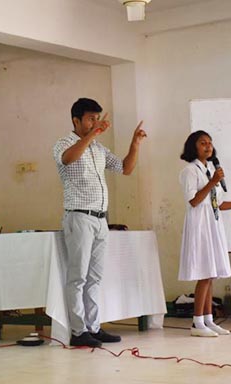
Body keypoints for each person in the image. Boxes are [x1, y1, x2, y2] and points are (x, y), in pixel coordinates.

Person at [53, 98, 147, 347]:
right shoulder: (65, 143)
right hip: (79, 216)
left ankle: (93, 327)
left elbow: (125, 168)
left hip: (100, 218)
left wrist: (135, 143)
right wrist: (91, 135)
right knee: (78, 277)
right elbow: (68, 159)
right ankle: (78, 331)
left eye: (97, 118)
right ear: (76, 120)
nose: (96, 122)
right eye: (90, 118)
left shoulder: (98, 148)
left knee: (95, 277)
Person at [178, 130, 231, 337]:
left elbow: (217, 203)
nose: (208, 146)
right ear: (193, 147)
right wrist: (212, 182)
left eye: (210, 143)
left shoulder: (211, 169)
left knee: (211, 274)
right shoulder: (189, 171)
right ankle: (196, 323)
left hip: (213, 223)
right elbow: (194, 201)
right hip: (200, 225)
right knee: (204, 273)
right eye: (203, 143)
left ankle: (208, 319)